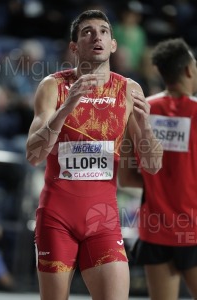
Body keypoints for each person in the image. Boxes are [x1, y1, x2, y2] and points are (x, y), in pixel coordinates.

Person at [26, 10, 163, 300]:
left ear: (113, 44)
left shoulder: (129, 90)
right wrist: (67, 106)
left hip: (103, 219)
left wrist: (147, 128)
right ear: (74, 47)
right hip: (57, 218)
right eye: (87, 31)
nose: (97, 36)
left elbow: (152, 166)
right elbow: (34, 155)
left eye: (103, 31)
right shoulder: (53, 86)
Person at [118, 37, 197, 300]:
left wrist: (158, 184)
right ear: (188, 70)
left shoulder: (140, 111)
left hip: (155, 230)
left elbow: (127, 178)